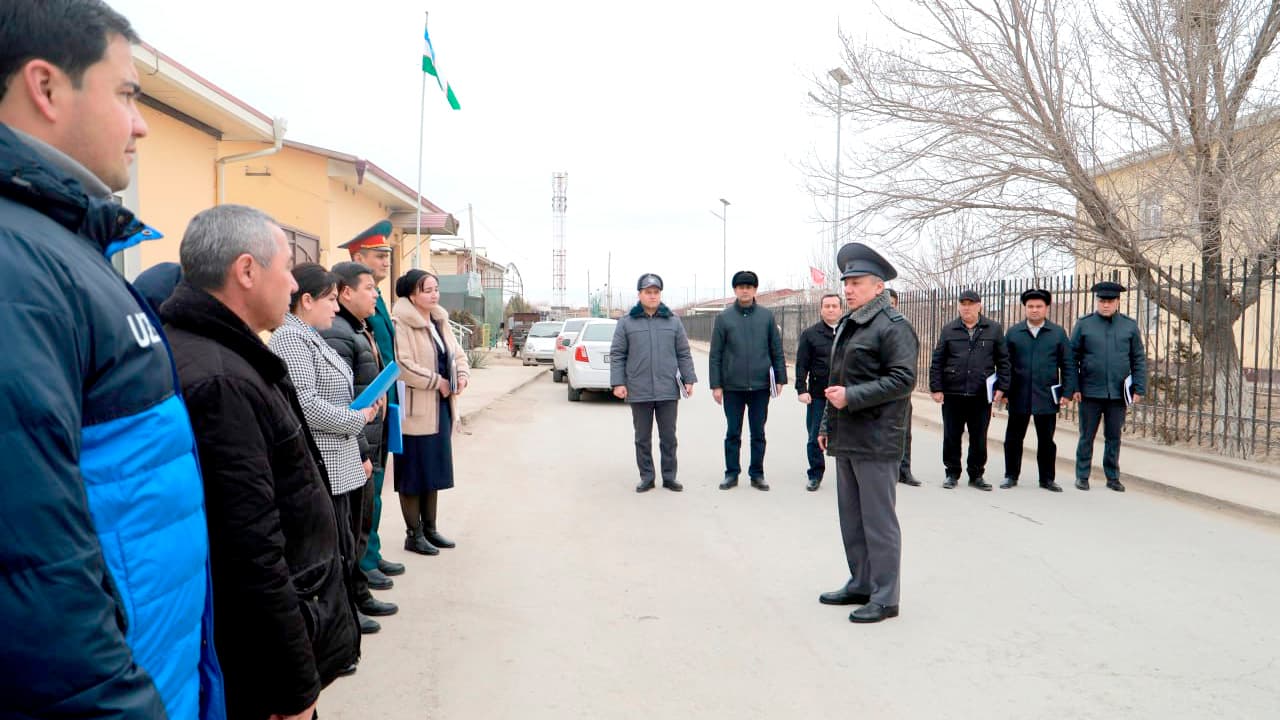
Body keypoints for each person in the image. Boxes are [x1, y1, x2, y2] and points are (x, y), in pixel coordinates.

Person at [0, 2, 225, 717]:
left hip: (159, 666)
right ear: (46, 87)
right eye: (127, 93)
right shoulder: (18, 266)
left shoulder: (62, 247)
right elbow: (33, 574)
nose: (142, 123)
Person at [163, 205, 358, 720]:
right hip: (261, 674)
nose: (295, 284)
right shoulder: (222, 381)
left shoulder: (228, 356)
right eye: (288, 267)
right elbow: (250, 552)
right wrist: (293, 686)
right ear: (247, 271)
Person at [269, 263, 392, 636]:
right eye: (330, 300)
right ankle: (333, 630)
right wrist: (355, 420)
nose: (336, 309)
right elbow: (305, 404)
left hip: (339, 461)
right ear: (306, 300)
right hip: (322, 463)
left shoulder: (310, 334)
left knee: (344, 546)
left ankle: (343, 622)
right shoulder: (291, 339)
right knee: (329, 553)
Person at [816, 243, 918, 624]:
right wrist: (828, 424)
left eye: (856, 282)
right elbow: (836, 380)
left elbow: (903, 379)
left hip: (877, 438)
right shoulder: (850, 322)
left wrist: (851, 398)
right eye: (846, 283)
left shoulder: (893, 327)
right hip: (847, 435)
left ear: (879, 287)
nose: (848, 289)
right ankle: (861, 582)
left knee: (878, 521)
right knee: (852, 518)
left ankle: (886, 596)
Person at [321, 262, 401, 623]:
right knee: (351, 527)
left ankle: (359, 591)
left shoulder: (356, 328)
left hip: (367, 435)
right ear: (345, 292)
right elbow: (339, 398)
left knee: (363, 517)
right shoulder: (338, 333)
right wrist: (361, 450)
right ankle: (354, 599)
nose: (376, 295)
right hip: (354, 440)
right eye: (370, 288)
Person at [339, 222, 405, 584]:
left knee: (376, 488)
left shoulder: (375, 300)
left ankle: (372, 553)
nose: (384, 262)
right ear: (357, 257)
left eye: (386, 256)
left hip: (383, 402)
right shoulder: (349, 306)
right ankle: (363, 561)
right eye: (378, 256)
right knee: (367, 489)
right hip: (365, 405)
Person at [393, 270, 471, 554]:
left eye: (436, 289)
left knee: (433, 470)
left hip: (441, 407)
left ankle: (430, 529)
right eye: (427, 290)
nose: (434, 294)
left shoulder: (439, 320)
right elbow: (402, 364)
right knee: (414, 473)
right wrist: (436, 381)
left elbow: (457, 354)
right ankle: (413, 535)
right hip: (415, 409)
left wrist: (461, 375)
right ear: (411, 294)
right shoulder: (401, 322)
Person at [610, 273, 698, 493]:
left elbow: (683, 353)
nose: (652, 296)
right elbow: (617, 354)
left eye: (655, 292)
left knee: (669, 437)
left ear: (660, 294)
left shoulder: (673, 321)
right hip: (639, 390)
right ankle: (647, 477)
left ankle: (669, 477)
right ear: (639, 294)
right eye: (648, 292)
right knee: (642, 438)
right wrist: (618, 383)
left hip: (668, 389)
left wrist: (689, 379)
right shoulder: (626, 322)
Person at [709, 270, 787, 490]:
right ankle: (731, 473)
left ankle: (757, 474)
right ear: (735, 290)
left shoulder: (766, 317)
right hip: (733, 386)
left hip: (760, 386)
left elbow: (776, 349)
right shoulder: (724, 318)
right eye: (741, 287)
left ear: (755, 290)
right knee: (733, 432)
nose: (745, 290)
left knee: (758, 433)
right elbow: (716, 354)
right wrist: (716, 385)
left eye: (749, 287)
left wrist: (780, 378)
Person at [929, 290, 1010, 490]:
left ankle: (976, 475)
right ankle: (952, 473)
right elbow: (938, 360)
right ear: (959, 306)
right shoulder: (949, 329)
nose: (966, 307)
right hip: (953, 393)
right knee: (951, 436)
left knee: (979, 437)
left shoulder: (993, 329)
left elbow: (1004, 361)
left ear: (979, 305)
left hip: (981, 394)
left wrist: (1003, 388)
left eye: (971, 303)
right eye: (963, 303)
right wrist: (936, 387)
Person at [1071, 281, 1147, 492]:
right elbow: (1072, 358)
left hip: (1117, 392)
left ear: (1117, 302)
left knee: (1114, 436)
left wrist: (1139, 388)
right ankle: (1082, 475)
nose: (1105, 305)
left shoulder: (1129, 326)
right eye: (1102, 301)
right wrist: (1074, 387)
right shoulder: (1084, 324)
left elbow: (1138, 358)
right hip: (1089, 390)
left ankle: (1112, 477)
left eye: (1110, 301)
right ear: (1097, 301)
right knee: (1087, 435)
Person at [1001, 289, 1074, 492]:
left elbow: (1067, 364)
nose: (1034, 310)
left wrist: (1067, 392)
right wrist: (1004, 391)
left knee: (1046, 440)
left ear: (1046, 308)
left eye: (1039, 306)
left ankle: (1047, 479)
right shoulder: (1014, 333)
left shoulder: (1057, 333)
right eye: (1031, 306)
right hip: (1019, 393)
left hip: (1046, 395)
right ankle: (1011, 475)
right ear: (1025, 308)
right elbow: (1004, 364)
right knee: (1014, 438)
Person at [795, 292, 842, 491]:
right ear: (821, 309)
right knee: (815, 435)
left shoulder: (849, 332)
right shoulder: (810, 334)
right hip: (818, 394)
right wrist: (801, 389)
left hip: (844, 394)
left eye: (834, 306)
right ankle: (815, 473)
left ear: (841, 309)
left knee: (846, 436)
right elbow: (801, 364)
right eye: (827, 306)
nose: (831, 309)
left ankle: (849, 477)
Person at [887, 288, 922, 487]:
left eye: (892, 303)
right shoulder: (875, 328)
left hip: (901, 391)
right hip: (881, 390)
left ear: (896, 304)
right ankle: (887, 469)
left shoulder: (904, 326)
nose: (889, 307)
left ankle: (904, 470)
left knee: (904, 431)